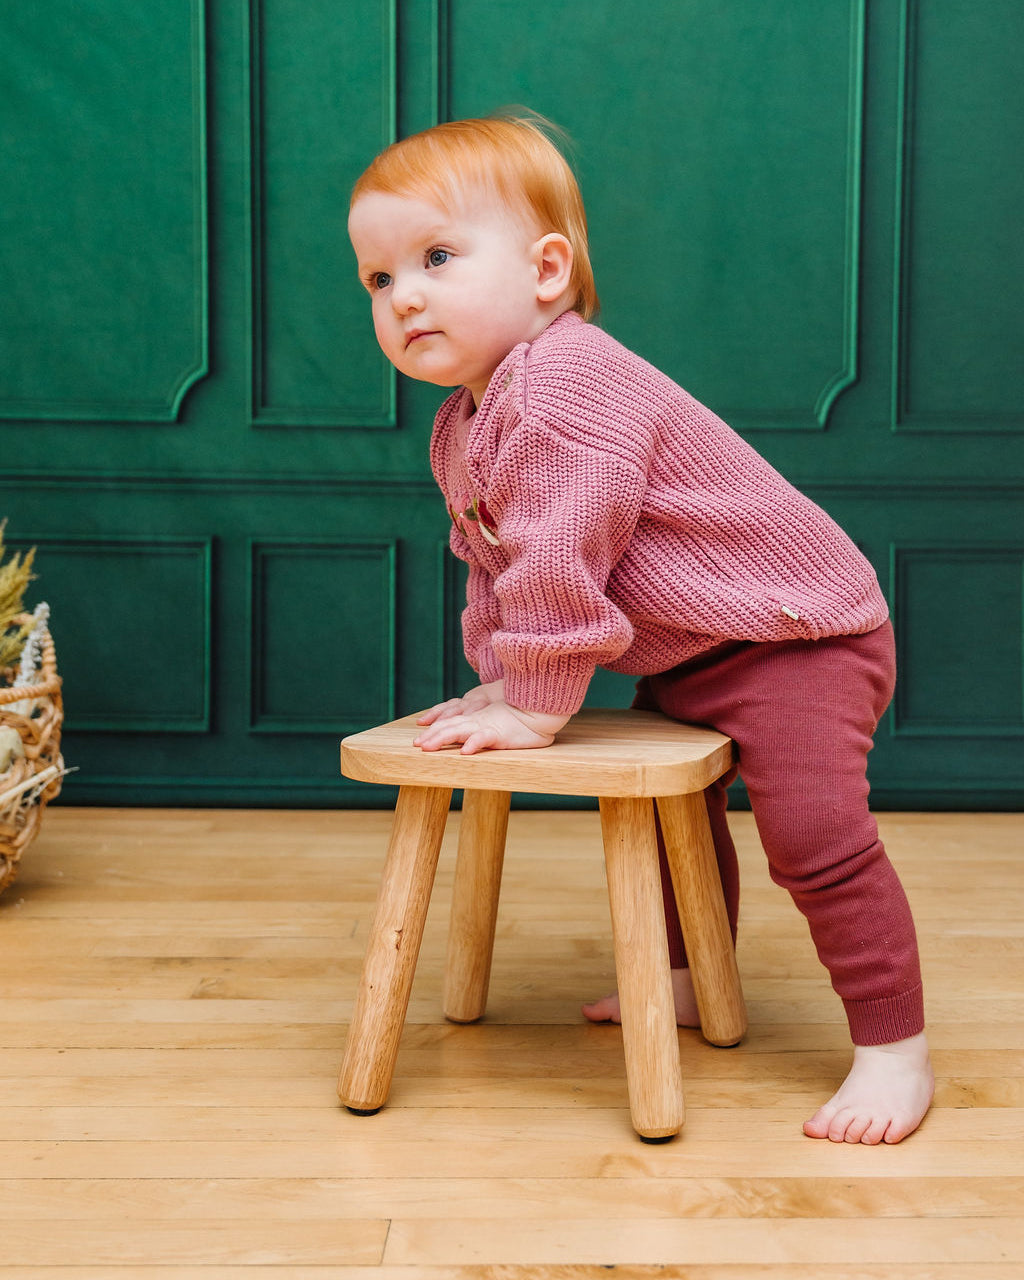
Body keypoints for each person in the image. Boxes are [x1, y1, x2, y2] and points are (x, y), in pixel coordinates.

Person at [347, 112, 934, 1144]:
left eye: (435, 257)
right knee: (678, 823)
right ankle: (684, 973)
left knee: (814, 840)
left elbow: (565, 549)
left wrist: (535, 704)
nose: (403, 295)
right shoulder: (467, 421)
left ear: (545, 270)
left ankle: (894, 1049)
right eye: (378, 279)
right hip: (694, 648)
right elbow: (501, 566)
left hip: (797, 638)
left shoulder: (567, 381)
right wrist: (499, 678)